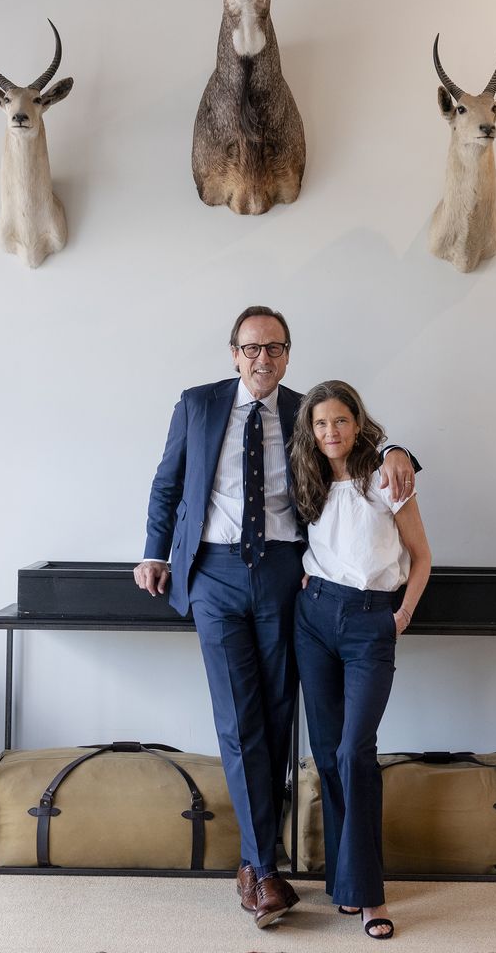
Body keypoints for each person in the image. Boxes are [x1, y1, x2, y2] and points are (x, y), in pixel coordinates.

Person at [134, 307, 418, 929]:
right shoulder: (198, 404)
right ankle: (263, 869)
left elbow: (353, 443)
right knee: (239, 721)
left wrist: (398, 448)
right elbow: (167, 482)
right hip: (213, 574)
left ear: (288, 355)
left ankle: (258, 862)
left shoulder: (302, 409)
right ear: (234, 352)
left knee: (278, 717)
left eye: (275, 348)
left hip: (287, 575)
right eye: (252, 348)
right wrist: (154, 552)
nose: (263, 358)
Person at [288, 380, 432, 941]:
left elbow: (421, 557)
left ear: (357, 422)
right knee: (328, 754)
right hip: (314, 618)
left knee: (355, 752)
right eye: (321, 424)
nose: (331, 432)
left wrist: (403, 614)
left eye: (340, 421)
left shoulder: (386, 476)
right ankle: (345, 882)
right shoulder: (309, 477)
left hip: (372, 621)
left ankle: (371, 895)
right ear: (311, 430)